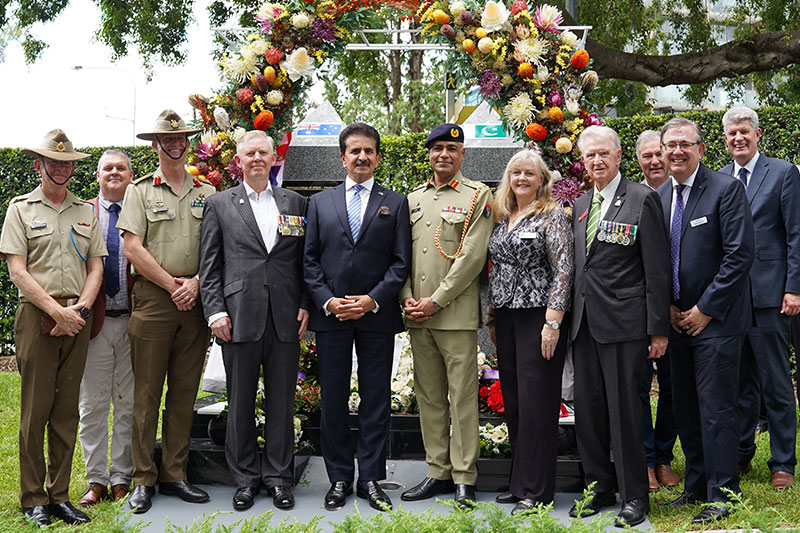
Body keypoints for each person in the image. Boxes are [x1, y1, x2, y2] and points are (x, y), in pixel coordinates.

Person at [0, 129, 106, 527]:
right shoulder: (20, 209)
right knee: (35, 410)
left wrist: (79, 310)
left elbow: (95, 268)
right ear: (38, 165)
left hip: (76, 316)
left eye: (67, 163)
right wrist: (55, 312)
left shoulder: (86, 211)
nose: (61, 168)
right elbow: (17, 271)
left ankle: (58, 496)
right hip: (37, 317)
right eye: (53, 162)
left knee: (66, 411)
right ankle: (33, 499)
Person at [303, 122, 411, 512]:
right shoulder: (320, 203)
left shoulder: (395, 202)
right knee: (332, 398)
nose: (362, 157)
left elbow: (401, 264)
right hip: (332, 317)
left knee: (375, 398)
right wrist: (328, 302)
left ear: (378, 157)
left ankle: (370, 478)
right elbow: (309, 260)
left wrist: (372, 300)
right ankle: (338, 478)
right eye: (355, 151)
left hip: (376, 316)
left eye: (368, 151)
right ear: (342, 157)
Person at [199, 131, 309, 512]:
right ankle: (245, 479)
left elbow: (304, 261)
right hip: (238, 317)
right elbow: (210, 265)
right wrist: (215, 312)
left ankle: (279, 479)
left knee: (282, 404)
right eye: (250, 154)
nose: (258, 158)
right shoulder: (219, 204)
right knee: (240, 403)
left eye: (264, 152)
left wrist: (306, 304)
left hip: (285, 317)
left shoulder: (295, 202)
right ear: (239, 161)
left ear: (274, 157)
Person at [569, 125, 670, 528]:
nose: (596, 161)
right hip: (584, 325)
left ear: (618, 156)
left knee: (625, 411)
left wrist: (658, 329)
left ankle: (634, 496)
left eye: (603, 154)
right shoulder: (580, 204)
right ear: (583, 161)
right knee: (588, 410)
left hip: (625, 325)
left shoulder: (642, 198)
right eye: (589, 155)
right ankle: (598, 487)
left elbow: (657, 269)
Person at [117, 110, 216, 513]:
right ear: (156, 144)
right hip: (156, 300)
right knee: (146, 393)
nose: (175, 144)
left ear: (188, 143)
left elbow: (217, 248)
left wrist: (196, 283)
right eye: (167, 139)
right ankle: (143, 478)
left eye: (181, 139)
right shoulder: (139, 191)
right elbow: (132, 248)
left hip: (195, 300)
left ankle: (175, 474)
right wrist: (174, 285)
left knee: (184, 392)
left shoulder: (207, 192)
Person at [657, 117, 754, 524]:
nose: (677, 151)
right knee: (685, 408)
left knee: (716, 409)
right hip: (676, 321)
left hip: (717, 321)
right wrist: (667, 307)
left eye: (685, 144)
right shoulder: (659, 196)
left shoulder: (725, 189)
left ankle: (723, 492)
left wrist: (705, 309)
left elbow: (739, 255)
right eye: (671, 145)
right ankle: (696, 485)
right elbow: (655, 261)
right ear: (662, 152)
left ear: (701, 149)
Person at [399, 123, 494, 508]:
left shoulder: (478, 195)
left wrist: (436, 300)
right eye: (437, 148)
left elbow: (472, 256)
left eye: (451, 149)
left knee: (462, 399)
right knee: (429, 397)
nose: (443, 154)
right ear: (428, 154)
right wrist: (407, 297)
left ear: (462, 154)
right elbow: (401, 255)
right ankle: (437, 470)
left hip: (453, 315)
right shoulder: (413, 199)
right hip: (417, 315)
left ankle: (464, 477)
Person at [486, 149, 573, 514]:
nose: (521, 178)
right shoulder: (505, 216)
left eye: (529, 173)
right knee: (517, 401)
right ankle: (520, 481)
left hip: (539, 317)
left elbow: (564, 270)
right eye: (516, 173)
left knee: (538, 404)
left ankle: (537, 491)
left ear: (542, 180)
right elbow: (497, 268)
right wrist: (492, 316)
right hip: (507, 317)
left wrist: (553, 323)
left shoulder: (552, 215)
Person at [719, 106, 800, 490]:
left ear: (757, 134)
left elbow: (796, 233)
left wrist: (793, 287)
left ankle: (783, 463)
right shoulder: (719, 178)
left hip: (771, 296)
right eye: (732, 133)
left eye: (744, 132)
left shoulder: (783, 173)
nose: (738, 138)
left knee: (776, 384)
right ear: (725, 139)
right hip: (730, 301)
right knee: (738, 385)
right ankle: (741, 454)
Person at [78, 150, 136, 507]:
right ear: (97, 175)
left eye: (121, 168)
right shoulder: (82, 213)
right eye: (108, 168)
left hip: (134, 320)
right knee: (93, 404)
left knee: (128, 403)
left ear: (131, 175)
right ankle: (96, 479)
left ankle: (121, 477)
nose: (114, 173)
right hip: (94, 323)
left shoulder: (141, 211)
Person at [634, 130, 680, 492]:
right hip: (638, 312)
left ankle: (663, 456)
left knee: (672, 387)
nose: (654, 161)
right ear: (637, 161)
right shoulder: (630, 198)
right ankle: (646, 461)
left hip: (677, 311)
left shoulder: (684, 193)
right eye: (646, 155)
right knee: (637, 388)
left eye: (658, 153)